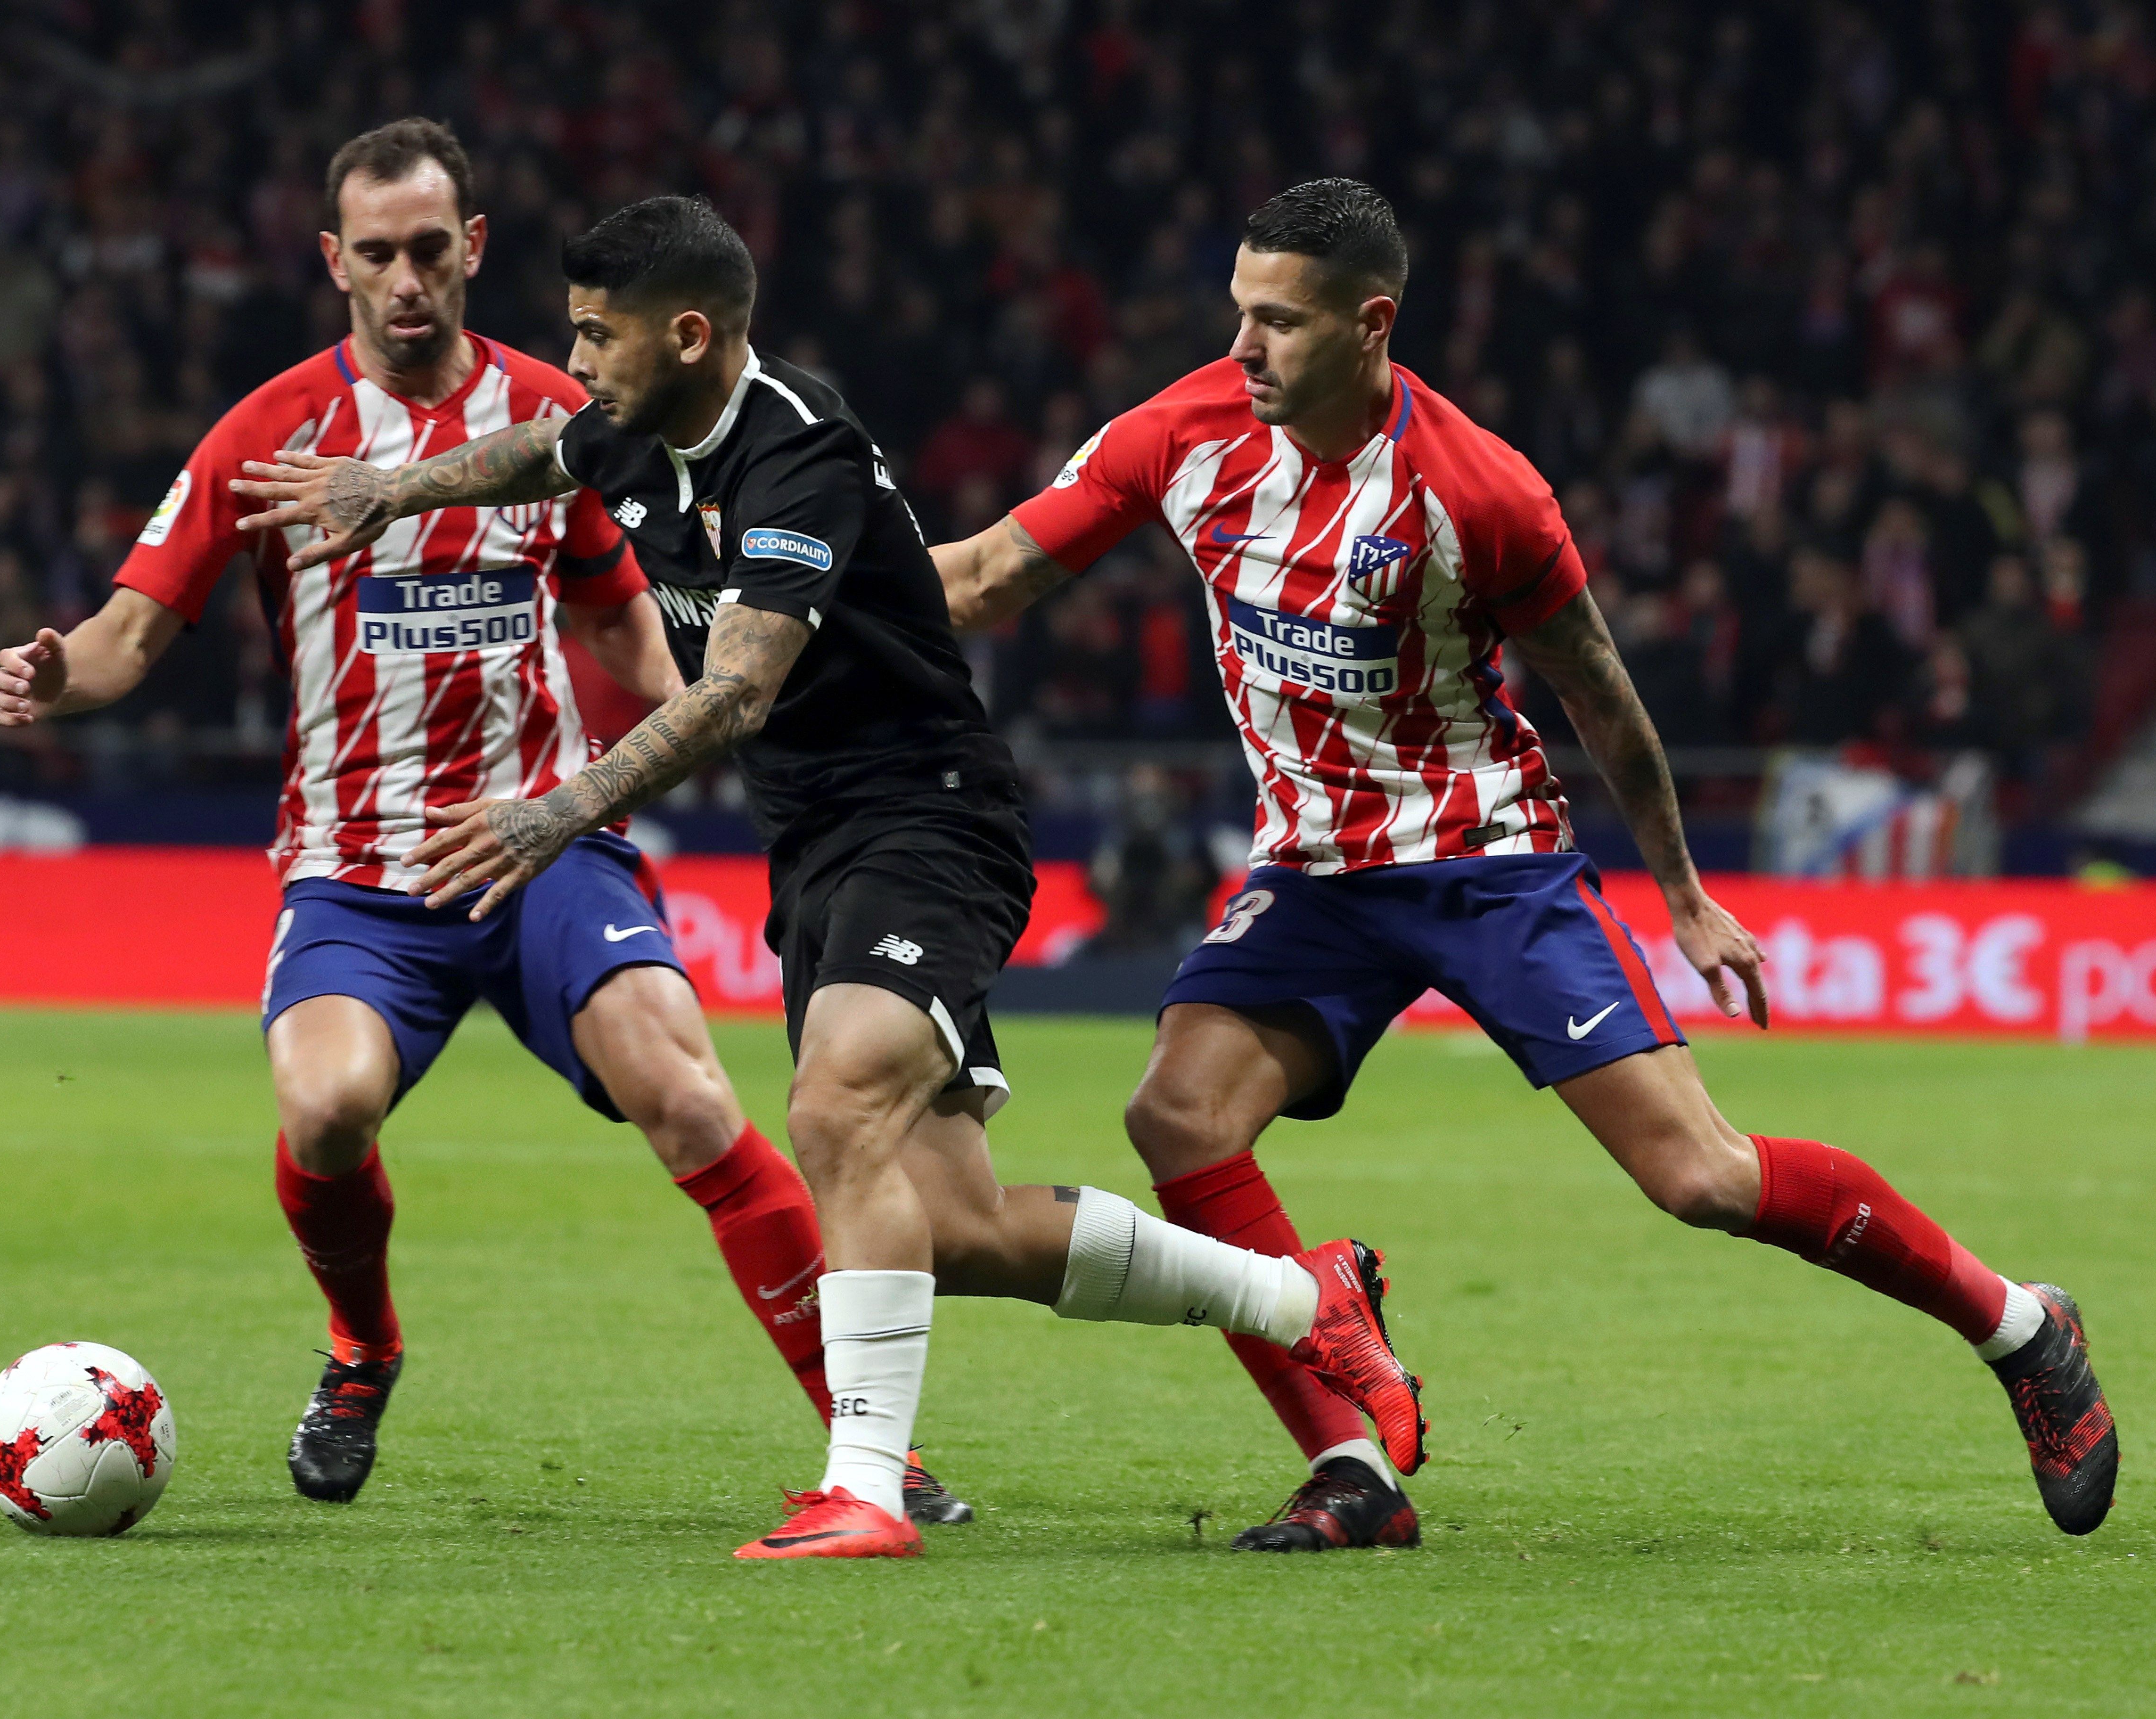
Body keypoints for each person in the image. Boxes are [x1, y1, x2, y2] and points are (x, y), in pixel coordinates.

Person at [228, 194, 1424, 1561]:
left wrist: (557, 810)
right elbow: (542, 452)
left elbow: (735, 690)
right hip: (821, 845)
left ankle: (864, 1487)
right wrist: (393, 486)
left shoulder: (799, 457)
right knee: (953, 1232)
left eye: (597, 336)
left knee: (838, 1099)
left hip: (928, 820)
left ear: (690, 335)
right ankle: (1302, 1297)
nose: (581, 360)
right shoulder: (633, 416)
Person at [933, 179, 2118, 1552]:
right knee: (1179, 1119)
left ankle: (2024, 1329)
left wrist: (1680, 893)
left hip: (1488, 864)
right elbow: (982, 578)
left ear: (1372, 324)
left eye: (1280, 323)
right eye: (1238, 314)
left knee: (1703, 1180)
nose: (1244, 350)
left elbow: (1602, 698)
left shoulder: (1479, 490)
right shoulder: (1182, 434)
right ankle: (1351, 1473)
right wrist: (802, 576)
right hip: (1317, 874)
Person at [0, 120, 985, 1524]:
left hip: (547, 849)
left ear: (475, 251)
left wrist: (748, 724)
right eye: (376, 255)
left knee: (693, 1098)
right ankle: (364, 1347)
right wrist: (53, 674)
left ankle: (869, 1445)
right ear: (333, 260)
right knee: (326, 1109)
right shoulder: (270, 435)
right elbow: (132, 632)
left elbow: (638, 632)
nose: (406, 281)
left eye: (430, 251)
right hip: (358, 866)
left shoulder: (569, 415)